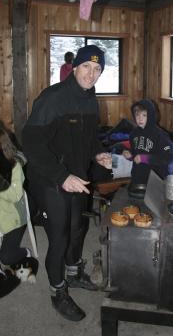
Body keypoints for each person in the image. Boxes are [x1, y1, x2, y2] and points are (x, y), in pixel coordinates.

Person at [22, 45, 112, 321]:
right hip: (50, 179)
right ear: (75, 67)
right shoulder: (53, 98)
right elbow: (31, 144)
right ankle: (57, 292)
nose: (91, 74)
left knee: (78, 227)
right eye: (87, 66)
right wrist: (62, 177)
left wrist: (98, 152)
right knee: (59, 238)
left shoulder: (90, 98)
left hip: (77, 177)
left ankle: (73, 274)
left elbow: (89, 137)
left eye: (97, 69)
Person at [0, 122, 38, 297]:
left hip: (13, 218)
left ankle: (26, 253)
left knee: (7, 257)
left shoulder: (13, 166)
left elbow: (15, 195)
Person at [123, 99, 173, 192]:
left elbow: (167, 157)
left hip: (156, 178)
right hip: (137, 177)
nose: (140, 118)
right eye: (137, 115)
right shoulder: (133, 134)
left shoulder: (160, 135)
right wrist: (129, 155)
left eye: (144, 115)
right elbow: (135, 154)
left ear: (151, 115)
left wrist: (145, 158)